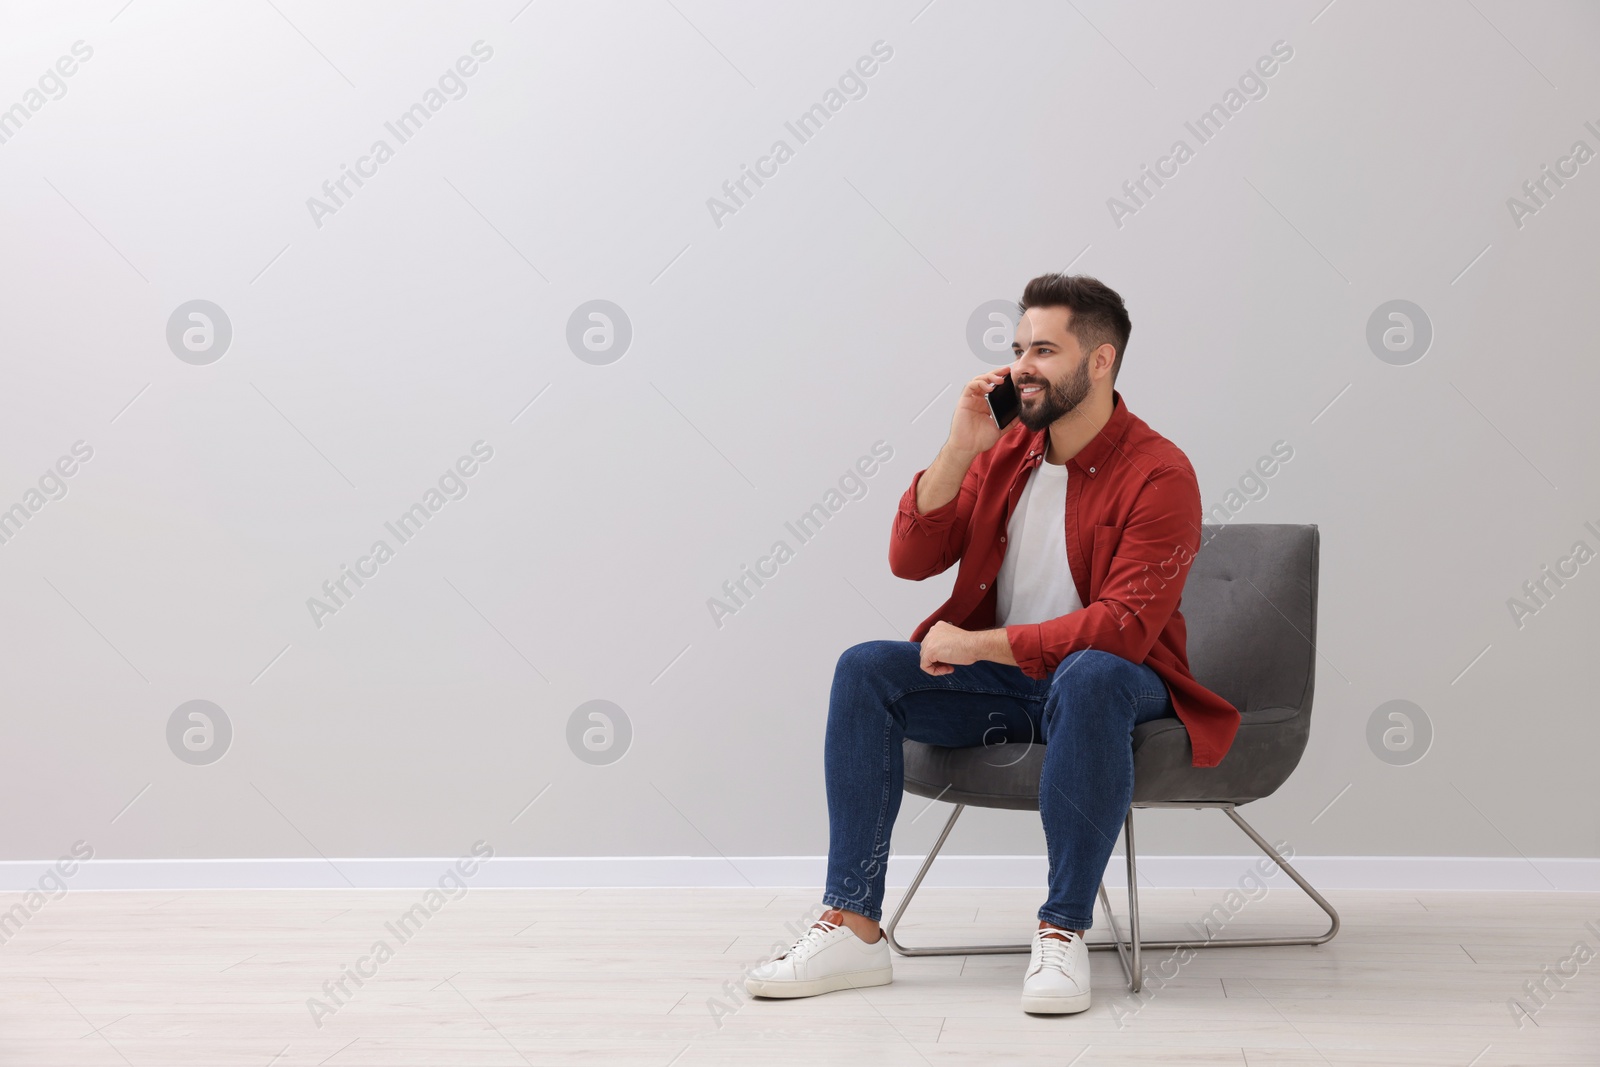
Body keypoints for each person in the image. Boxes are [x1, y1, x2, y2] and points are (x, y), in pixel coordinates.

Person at [744, 273, 1240, 1014]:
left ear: (1100, 361)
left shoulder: (1160, 473)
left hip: (1121, 688)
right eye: (1017, 348)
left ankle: (1064, 929)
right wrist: (958, 446)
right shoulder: (1008, 449)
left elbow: (1122, 628)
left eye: (1045, 348)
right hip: (1010, 691)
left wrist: (981, 644)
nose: (1021, 367)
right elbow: (910, 559)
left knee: (1092, 672)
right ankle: (852, 925)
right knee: (866, 669)